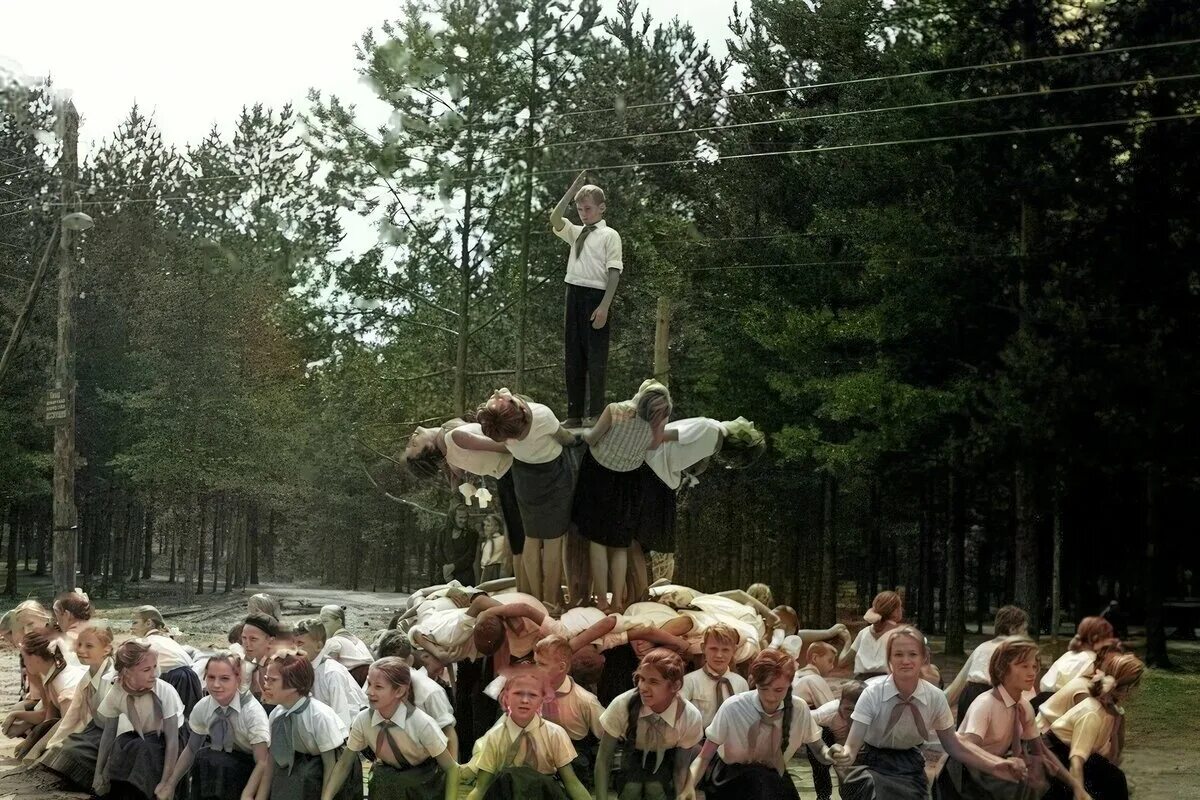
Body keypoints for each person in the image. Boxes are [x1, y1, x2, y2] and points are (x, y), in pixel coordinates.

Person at [829, 626, 1028, 800]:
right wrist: (842, 754)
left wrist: (994, 765)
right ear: (889, 659)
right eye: (898, 654)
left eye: (912, 654)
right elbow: (852, 747)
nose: (905, 661)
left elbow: (954, 745)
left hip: (910, 766)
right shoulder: (872, 693)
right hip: (872, 765)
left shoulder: (935, 697)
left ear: (924, 657)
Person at [462, 389, 580, 607]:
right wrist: (579, 438)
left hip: (525, 477)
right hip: (553, 474)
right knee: (553, 542)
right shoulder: (542, 415)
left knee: (532, 539)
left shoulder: (500, 428)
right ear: (518, 409)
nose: (497, 392)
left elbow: (501, 407)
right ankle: (551, 600)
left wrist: (505, 400)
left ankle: (534, 600)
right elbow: (566, 438)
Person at [940, 637, 1084, 800]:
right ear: (1002, 668)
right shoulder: (985, 704)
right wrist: (999, 764)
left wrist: (1076, 786)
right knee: (1021, 784)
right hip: (966, 775)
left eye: (1034, 667)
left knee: (1041, 775)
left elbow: (1041, 750)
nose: (1032, 673)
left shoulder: (1023, 706)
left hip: (994, 769)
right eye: (1024, 666)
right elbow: (965, 747)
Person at [575, 380, 672, 611]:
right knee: (620, 544)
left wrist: (583, 431)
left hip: (598, 474)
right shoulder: (656, 420)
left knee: (597, 541)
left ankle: (600, 600)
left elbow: (592, 437)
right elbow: (655, 444)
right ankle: (618, 601)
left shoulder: (615, 410)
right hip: (629, 480)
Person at [690, 649, 836, 800]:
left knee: (769, 783)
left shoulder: (798, 708)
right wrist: (687, 787)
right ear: (756, 683)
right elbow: (704, 756)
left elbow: (818, 748)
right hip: (730, 776)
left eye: (779, 690)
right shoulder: (733, 707)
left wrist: (829, 753)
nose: (771, 697)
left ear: (789, 685)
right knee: (760, 781)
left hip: (772, 774)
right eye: (764, 688)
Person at [405, 417, 528, 594]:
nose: (412, 438)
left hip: (511, 472)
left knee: (521, 539)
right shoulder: (453, 440)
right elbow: (506, 447)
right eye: (413, 445)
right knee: (521, 539)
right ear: (429, 449)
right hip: (513, 472)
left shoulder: (450, 437)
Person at [323, 657, 457, 800]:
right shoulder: (363, 720)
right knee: (381, 779)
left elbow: (451, 768)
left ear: (399, 691)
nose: (369, 692)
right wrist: (326, 797)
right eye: (369, 684)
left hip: (424, 782)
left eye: (378, 687)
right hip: (388, 778)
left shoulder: (421, 723)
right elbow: (344, 763)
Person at [550, 170, 623, 428]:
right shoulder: (575, 232)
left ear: (601, 208)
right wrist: (572, 191)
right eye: (580, 209)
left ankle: (595, 414)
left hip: (596, 297)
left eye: (588, 209)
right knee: (573, 357)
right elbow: (555, 217)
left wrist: (604, 306)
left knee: (596, 358)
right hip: (574, 294)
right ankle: (574, 413)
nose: (583, 213)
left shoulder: (609, 235)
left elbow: (614, 272)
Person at [158, 652, 272, 800]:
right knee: (203, 756)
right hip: (225, 757)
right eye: (211, 677)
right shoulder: (204, 706)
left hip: (251, 766)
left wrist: (248, 795)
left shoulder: (251, 712)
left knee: (220, 763)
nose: (216, 685)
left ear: (238, 679)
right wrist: (170, 784)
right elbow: (192, 748)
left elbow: (263, 762)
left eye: (224, 678)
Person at [467, 666, 592, 800]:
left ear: (542, 699)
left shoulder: (555, 734)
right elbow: (481, 788)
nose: (525, 700)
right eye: (518, 693)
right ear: (506, 697)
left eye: (532, 695)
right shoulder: (494, 737)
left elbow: (572, 783)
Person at [596, 647, 705, 799]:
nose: (643, 688)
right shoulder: (622, 704)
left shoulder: (689, 716)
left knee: (655, 790)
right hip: (632, 750)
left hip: (668, 754)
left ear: (675, 686)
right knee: (631, 790)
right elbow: (603, 758)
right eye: (641, 679)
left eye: (653, 681)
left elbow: (681, 767)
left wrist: (683, 793)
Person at [1042, 653, 1143, 800]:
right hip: (1054, 754)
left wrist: (1117, 728)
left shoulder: (1112, 713)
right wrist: (1081, 794)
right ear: (1126, 688)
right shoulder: (1092, 712)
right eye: (1135, 686)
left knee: (1115, 778)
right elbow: (1076, 761)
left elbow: (1111, 757)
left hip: (1074, 755)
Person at [92, 641, 185, 800]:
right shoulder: (117, 691)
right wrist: (98, 773)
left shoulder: (164, 691)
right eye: (146, 669)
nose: (154, 674)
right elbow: (109, 733)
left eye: (155, 667)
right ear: (127, 672)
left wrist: (166, 783)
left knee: (143, 749)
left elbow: (172, 741)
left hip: (172, 739)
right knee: (121, 743)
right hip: (143, 736)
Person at [260, 651, 356, 800]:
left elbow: (331, 766)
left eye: (272, 680)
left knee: (306, 777)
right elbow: (272, 760)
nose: (266, 686)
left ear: (294, 685)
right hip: (300, 759)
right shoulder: (277, 714)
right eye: (266, 679)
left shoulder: (319, 716)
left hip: (333, 765)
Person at [39, 621, 116, 783]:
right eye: (79, 644)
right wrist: (55, 743)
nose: (81, 650)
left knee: (71, 752)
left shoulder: (112, 679)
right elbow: (72, 716)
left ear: (106, 649)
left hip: (115, 734)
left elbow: (115, 726)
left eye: (89, 646)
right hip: (96, 729)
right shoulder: (86, 678)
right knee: (58, 747)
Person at [532, 635, 606, 787]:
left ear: (561, 667)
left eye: (542, 664)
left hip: (574, 753)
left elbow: (606, 734)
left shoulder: (585, 700)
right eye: (535, 663)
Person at [3, 628, 86, 756]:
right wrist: (17, 715)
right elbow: (48, 719)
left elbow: (68, 727)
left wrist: (37, 748)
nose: (24, 663)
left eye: (25, 658)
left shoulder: (63, 683)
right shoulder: (52, 676)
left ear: (35, 658)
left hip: (86, 734)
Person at [945, 605, 1031, 720]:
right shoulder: (1015, 651)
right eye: (1024, 630)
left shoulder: (982, 647)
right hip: (992, 699)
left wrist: (936, 706)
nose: (1026, 635)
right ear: (1012, 630)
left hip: (969, 696)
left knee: (966, 736)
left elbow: (958, 685)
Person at [1036, 640, 1125, 735]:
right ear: (1101, 659)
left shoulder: (1102, 676)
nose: (1114, 667)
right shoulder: (1089, 672)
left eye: (1117, 664)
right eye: (1111, 662)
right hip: (1050, 712)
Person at [131, 605, 204, 718]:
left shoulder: (144, 642)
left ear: (148, 623)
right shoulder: (166, 640)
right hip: (191, 677)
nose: (131, 627)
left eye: (135, 622)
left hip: (176, 679)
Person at [295, 618, 368, 727]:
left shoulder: (332, 673)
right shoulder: (303, 668)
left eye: (300, 643)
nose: (294, 648)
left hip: (352, 728)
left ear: (318, 646)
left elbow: (342, 716)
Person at [681, 623, 751, 728]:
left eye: (725, 650)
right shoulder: (689, 681)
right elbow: (681, 719)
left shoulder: (741, 683)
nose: (719, 655)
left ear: (734, 651)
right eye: (713, 649)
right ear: (703, 648)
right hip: (698, 740)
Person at [1038, 617, 1115, 698]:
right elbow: (1080, 692)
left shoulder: (1072, 653)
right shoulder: (1090, 660)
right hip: (1057, 700)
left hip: (1045, 696)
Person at [839, 591, 905, 680]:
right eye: (900, 607)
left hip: (861, 684)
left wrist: (847, 641)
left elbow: (843, 662)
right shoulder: (901, 634)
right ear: (895, 611)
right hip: (887, 683)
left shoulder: (864, 633)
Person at [318, 605, 375, 686]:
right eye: (320, 622)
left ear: (339, 621)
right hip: (371, 679)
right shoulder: (358, 640)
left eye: (325, 621)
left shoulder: (334, 641)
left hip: (356, 683)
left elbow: (326, 669)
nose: (322, 626)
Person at [441, 502, 480, 586]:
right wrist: (445, 568)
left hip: (464, 578)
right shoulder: (443, 533)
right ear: (453, 517)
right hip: (444, 577)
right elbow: (437, 552)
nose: (463, 520)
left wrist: (454, 566)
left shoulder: (472, 534)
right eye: (460, 517)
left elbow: (470, 555)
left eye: (465, 517)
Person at [479, 515, 510, 584]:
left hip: (496, 570)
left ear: (497, 527)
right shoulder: (485, 543)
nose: (485, 528)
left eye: (489, 525)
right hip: (486, 571)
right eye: (485, 525)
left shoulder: (502, 540)